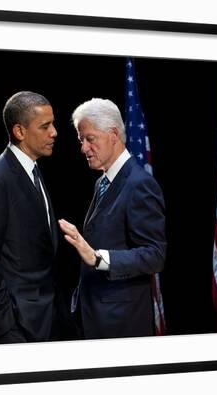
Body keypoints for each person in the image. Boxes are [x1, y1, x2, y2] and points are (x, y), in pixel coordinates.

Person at [58, 98, 166, 339]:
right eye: (81, 140)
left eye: (89, 139)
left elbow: (155, 255)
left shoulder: (140, 184)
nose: (83, 148)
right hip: (96, 315)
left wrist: (98, 258)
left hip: (122, 324)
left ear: (113, 134)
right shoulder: (102, 182)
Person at [0, 91, 59, 344]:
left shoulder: (32, 171)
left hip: (42, 319)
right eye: (45, 126)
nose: (54, 132)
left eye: (53, 124)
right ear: (19, 131)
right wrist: (7, 329)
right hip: (15, 328)